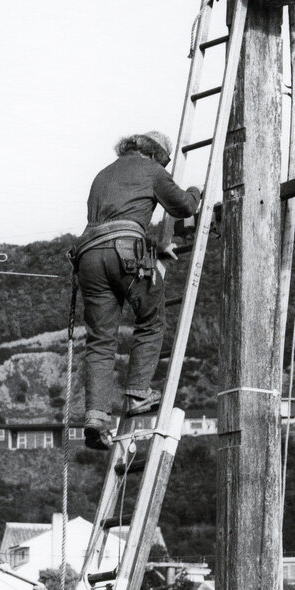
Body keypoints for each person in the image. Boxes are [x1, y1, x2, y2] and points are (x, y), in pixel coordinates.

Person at [71, 131, 201, 451]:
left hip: (88, 256)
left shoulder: (103, 175)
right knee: (150, 320)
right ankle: (138, 392)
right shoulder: (153, 170)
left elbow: (114, 223)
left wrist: (154, 248)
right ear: (157, 154)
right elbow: (183, 206)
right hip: (125, 251)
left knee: (101, 341)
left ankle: (96, 415)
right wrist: (196, 192)